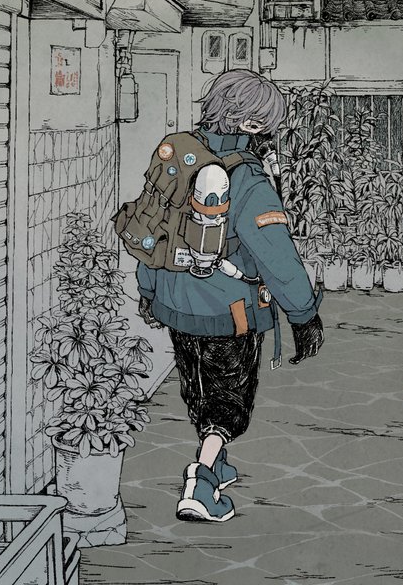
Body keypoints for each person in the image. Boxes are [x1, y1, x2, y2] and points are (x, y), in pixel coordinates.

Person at [136, 69, 324, 523]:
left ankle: (216, 462)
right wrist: (304, 316)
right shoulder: (248, 180)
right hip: (230, 311)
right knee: (227, 404)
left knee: (198, 389)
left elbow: (152, 228)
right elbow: (277, 256)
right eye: (267, 123)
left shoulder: (178, 155)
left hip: (174, 301)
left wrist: (148, 290)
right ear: (251, 124)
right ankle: (201, 486)